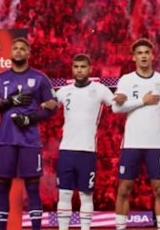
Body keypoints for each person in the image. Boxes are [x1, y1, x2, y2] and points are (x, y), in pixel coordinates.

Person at [0, 38, 56, 230]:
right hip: (5, 139)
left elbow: (52, 107)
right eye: (15, 48)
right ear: (11, 53)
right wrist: (9, 102)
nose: (18, 51)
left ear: (28, 53)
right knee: (2, 185)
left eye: (22, 49)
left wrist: (30, 119)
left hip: (30, 140)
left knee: (33, 186)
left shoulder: (40, 78)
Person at [112, 39, 160, 230]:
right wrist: (142, 101)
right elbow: (116, 108)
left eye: (146, 52)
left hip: (155, 144)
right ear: (134, 57)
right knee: (124, 189)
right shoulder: (126, 80)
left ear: (152, 55)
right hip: (131, 143)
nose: (143, 56)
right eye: (139, 53)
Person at [55, 54, 114, 230]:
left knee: (86, 195)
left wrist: (135, 101)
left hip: (87, 151)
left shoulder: (101, 90)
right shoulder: (64, 91)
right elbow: (48, 108)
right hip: (66, 150)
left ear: (89, 69)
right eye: (76, 67)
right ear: (72, 69)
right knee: (64, 194)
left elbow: (117, 106)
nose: (79, 70)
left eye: (82, 67)